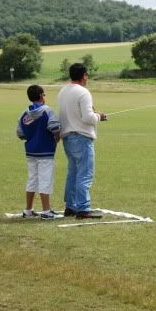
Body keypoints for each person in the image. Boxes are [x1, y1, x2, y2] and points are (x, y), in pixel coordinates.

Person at [58, 63, 106, 219]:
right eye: (87, 75)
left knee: (73, 173)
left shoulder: (63, 91)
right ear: (83, 75)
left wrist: (94, 114)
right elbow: (88, 117)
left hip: (67, 137)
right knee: (84, 174)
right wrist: (99, 116)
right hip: (82, 137)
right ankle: (83, 208)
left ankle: (70, 206)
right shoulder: (83, 92)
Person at [16, 84, 62, 219]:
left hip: (31, 152)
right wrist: (56, 139)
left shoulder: (24, 114)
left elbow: (20, 133)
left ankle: (28, 210)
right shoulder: (47, 111)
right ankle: (46, 211)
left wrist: (31, 138)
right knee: (45, 180)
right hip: (46, 152)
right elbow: (55, 128)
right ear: (41, 95)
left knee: (32, 179)